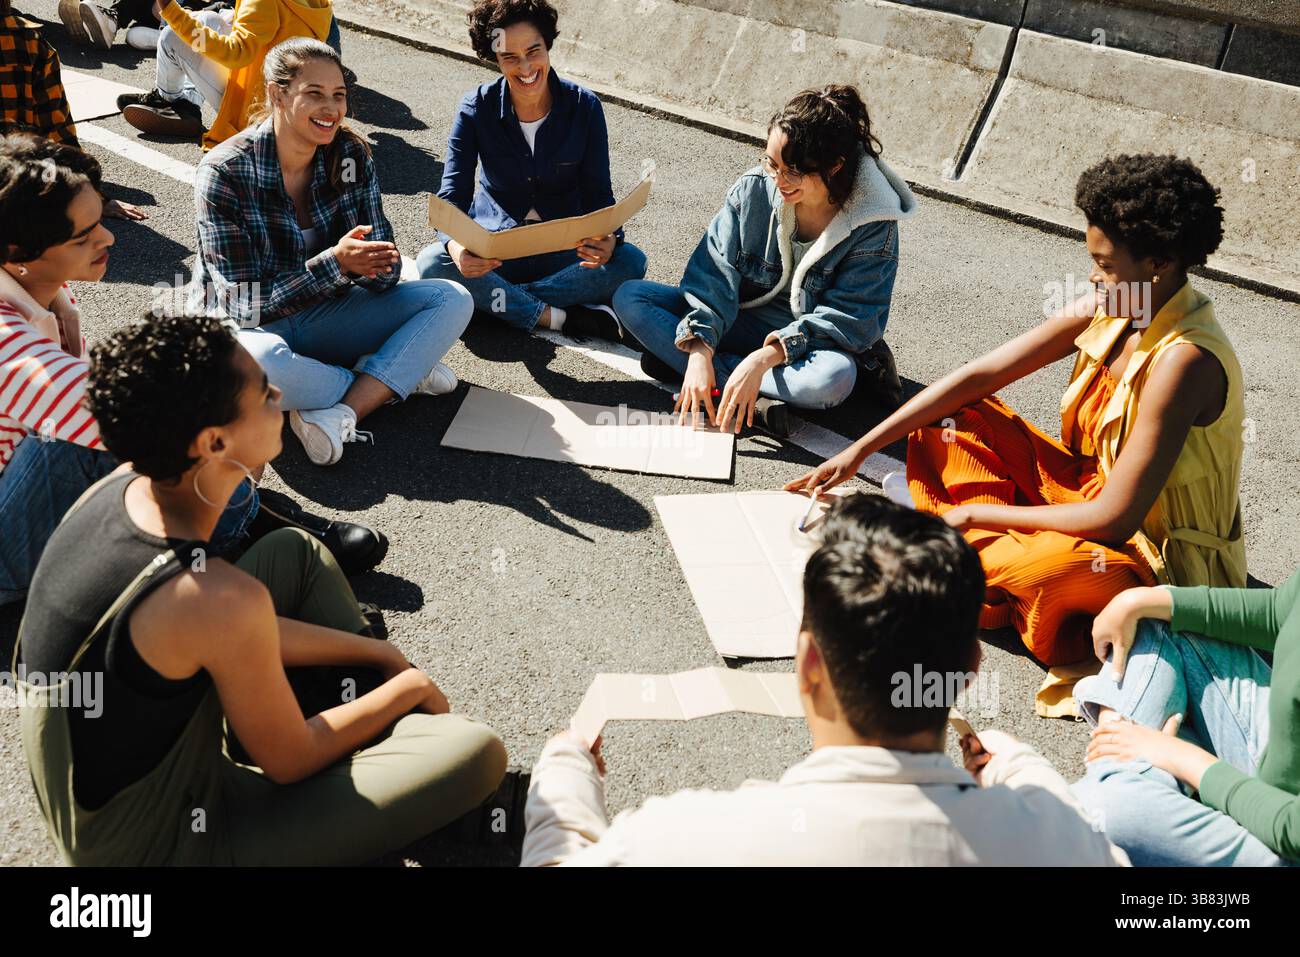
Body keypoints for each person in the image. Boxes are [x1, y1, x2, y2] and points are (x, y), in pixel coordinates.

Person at [16, 311, 508, 865]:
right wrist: (406, 686)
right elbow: (291, 759)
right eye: (262, 394)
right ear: (214, 440)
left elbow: (226, 628)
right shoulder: (213, 597)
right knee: (475, 751)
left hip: (114, 791)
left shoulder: (123, 487)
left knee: (295, 552)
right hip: (161, 844)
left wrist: (376, 650)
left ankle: (376, 746)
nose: (278, 392)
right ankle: (400, 760)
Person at [786, 154, 1244, 675]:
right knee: (954, 419)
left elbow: (1115, 521)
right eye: (1092, 260)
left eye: (1106, 265)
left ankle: (979, 546)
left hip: (1152, 555)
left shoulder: (1185, 361)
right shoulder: (1119, 302)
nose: (1093, 278)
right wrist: (860, 448)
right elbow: (980, 377)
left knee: (1057, 567)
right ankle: (981, 546)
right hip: (1083, 489)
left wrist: (979, 514)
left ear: (1158, 264)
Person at [521, 494, 1127, 866]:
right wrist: (1018, 764)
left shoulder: (687, 837)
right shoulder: (1061, 842)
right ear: (970, 670)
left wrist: (566, 772)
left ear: (808, 663)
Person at [0, 133, 384, 606]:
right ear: (18, 252)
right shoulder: (5, 335)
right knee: (105, 430)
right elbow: (115, 415)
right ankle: (239, 547)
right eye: (84, 236)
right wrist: (236, 421)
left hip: (37, 505)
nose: (109, 237)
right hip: (8, 553)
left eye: (99, 220)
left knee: (149, 402)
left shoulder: (41, 288)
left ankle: (241, 525)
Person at [191, 38, 472, 466]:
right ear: (276, 94)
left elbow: (386, 273)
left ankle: (341, 409)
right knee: (251, 366)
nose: (331, 109)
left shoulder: (352, 155)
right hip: (250, 327)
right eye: (315, 95)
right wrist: (336, 264)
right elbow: (243, 304)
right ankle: (389, 376)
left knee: (451, 298)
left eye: (339, 96)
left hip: (326, 312)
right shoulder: (225, 171)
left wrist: (372, 265)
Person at [613, 85, 914, 440]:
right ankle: (741, 393)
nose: (778, 180)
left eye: (794, 172)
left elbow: (854, 319)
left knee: (833, 380)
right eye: (772, 163)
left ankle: (716, 376)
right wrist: (697, 349)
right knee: (631, 297)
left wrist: (763, 359)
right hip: (739, 318)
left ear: (835, 167)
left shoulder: (873, 224)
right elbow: (712, 276)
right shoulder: (754, 189)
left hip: (810, 345)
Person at [414, 0, 647, 340]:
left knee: (630, 263)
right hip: (495, 251)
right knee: (433, 263)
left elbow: (599, 195)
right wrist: (458, 250)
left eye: (533, 51)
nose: (525, 67)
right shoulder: (475, 108)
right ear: (495, 59)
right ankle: (558, 317)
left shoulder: (585, 106)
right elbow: (452, 196)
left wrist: (609, 240)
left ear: (547, 46)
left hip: (565, 251)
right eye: (509, 57)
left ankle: (501, 304)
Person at [1070, 574, 1300, 867]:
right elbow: (1282, 612)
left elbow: (1291, 829)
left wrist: (1178, 757)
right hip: (1275, 760)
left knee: (1106, 809)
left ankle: (1124, 791)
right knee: (1153, 615)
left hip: (1285, 841)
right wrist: (1137, 600)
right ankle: (1129, 787)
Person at [113, 0, 334, 146]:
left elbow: (236, 53)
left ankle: (169, 99)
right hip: (291, 104)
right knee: (210, 20)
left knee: (172, 36)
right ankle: (185, 102)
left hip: (257, 113)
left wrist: (171, 11)